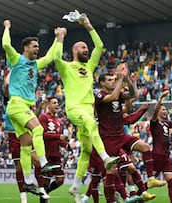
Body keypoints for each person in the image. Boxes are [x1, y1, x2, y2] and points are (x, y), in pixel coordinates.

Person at [52, 15, 119, 202]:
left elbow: (100, 46)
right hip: (74, 109)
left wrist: (88, 26)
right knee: (91, 124)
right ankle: (106, 158)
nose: (86, 49)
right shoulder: (67, 67)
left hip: (88, 110)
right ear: (74, 51)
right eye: (82, 47)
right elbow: (56, 57)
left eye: (86, 48)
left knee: (87, 150)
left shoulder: (89, 67)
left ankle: (75, 186)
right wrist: (60, 38)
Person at [2, 19, 57, 195]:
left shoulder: (35, 64)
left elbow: (50, 57)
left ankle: (27, 181)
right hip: (17, 104)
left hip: (22, 107)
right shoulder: (16, 59)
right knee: (38, 128)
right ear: (26, 47)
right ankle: (43, 161)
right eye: (34, 46)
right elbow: (5, 44)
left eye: (37, 46)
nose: (37, 49)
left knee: (25, 145)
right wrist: (7, 27)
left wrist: (58, 38)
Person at [95, 68, 166, 202]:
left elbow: (134, 95)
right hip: (109, 139)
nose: (113, 81)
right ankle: (113, 199)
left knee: (145, 147)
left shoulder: (117, 95)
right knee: (111, 173)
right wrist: (120, 79)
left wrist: (129, 80)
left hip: (121, 135)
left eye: (113, 79)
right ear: (102, 83)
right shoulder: (99, 95)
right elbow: (112, 97)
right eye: (109, 80)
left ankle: (150, 179)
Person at [3, 68, 49, 203]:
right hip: (13, 134)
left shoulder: (27, 100)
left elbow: (35, 117)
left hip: (27, 133)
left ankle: (41, 190)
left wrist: (40, 107)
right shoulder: (10, 99)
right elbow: (6, 87)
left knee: (35, 161)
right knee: (19, 166)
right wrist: (11, 72)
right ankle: (23, 198)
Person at [38, 96, 70, 203]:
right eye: (54, 102)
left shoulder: (58, 121)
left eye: (57, 102)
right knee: (45, 181)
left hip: (55, 155)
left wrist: (65, 145)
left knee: (60, 180)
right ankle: (43, 199)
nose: (57, 104)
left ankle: (46, 193)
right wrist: (58, 137)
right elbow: (41, 135)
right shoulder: (43, 117)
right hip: (46, 154)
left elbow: (58, 139)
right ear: (48, 105)